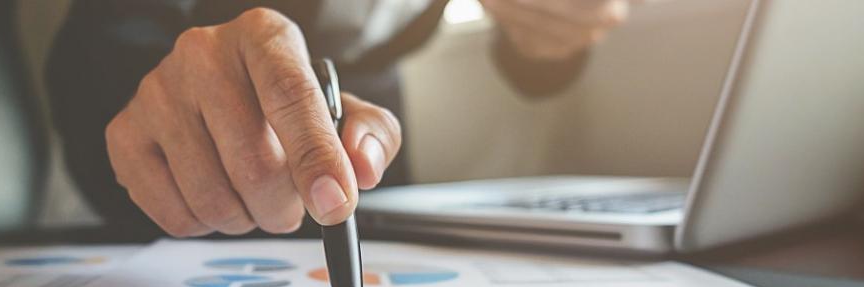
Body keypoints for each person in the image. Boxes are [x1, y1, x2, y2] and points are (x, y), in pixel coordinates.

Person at [47, 0, 632, 239]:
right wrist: (152, 111)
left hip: (373, 135)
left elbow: (527, 61)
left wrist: (556, 31)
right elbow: (106, 35)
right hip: (201, 119)